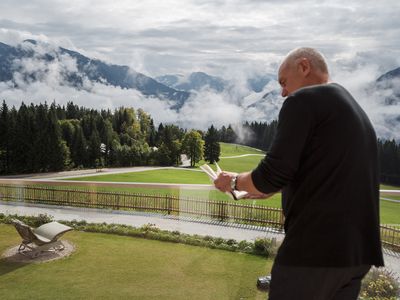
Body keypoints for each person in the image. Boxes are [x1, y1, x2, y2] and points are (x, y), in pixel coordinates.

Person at [214, 47, 384, 300]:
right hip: (356, 256)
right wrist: (278, 187)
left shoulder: (303, 100)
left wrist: (234, 182)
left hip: (314, 253)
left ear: (304, 67)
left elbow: (271, 173)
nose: (283, 93)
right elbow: (328, 171)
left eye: (283, 82)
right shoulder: (351, 106)